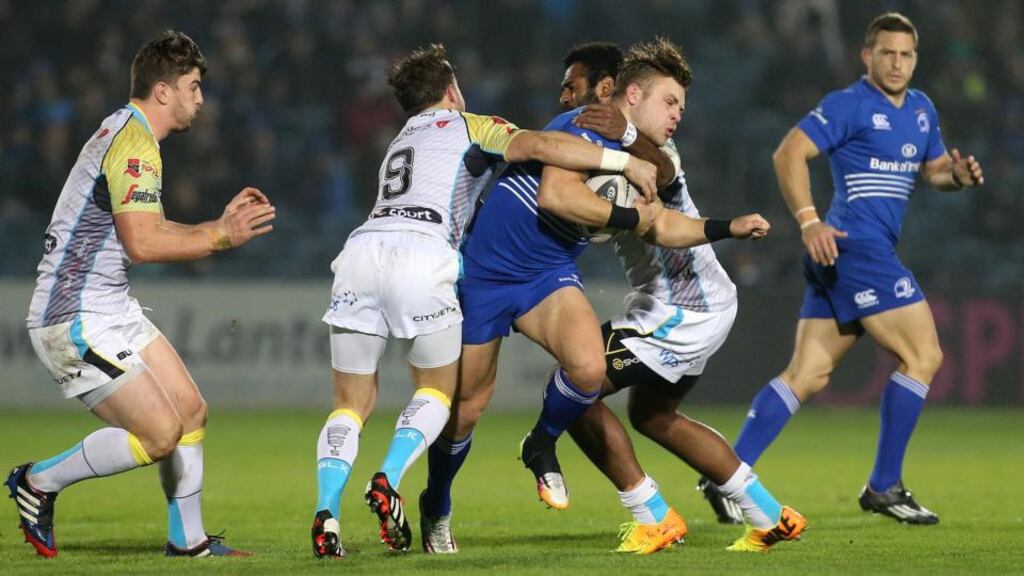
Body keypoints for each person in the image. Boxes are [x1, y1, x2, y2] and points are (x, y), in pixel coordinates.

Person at [311, 43, 657, 559]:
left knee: (350, 404)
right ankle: (393, 479)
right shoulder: (472, 125)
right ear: (451, 90)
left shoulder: (399, 139)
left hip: (361, 251)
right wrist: (620, 161)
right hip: (429, 256)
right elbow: (539, 145)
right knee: (440, 396)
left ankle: (326, 515)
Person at [419, 37, 762, 554]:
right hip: (488, 278)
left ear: (608, 89)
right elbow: (561, 195)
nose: (564, 98)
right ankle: (437, 504)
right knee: (466, 409)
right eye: (670, 103)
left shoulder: (636, 144)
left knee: (587, 369)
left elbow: (662, 198)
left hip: (548, 274)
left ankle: (541, 446)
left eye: (572, 86)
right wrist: (629, 198)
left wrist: (726, 227)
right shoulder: (582, 128)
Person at [701, 12, 984, 526]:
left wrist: (957, 176)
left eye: (906, 55)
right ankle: (884, 486)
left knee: (808, 373)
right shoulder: (849, 104)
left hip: (840, 255)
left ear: (916, 59)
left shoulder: (921, 109)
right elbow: (788, 153)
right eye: (887, 53)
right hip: (856, 248)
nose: (897, 63)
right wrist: (808, 222)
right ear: (867, 56)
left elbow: (936, 171)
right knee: (924, 355)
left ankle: (726, 475)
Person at [7, 30, 276, 558]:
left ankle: (189, 541)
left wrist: (213, 226)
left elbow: (144, 227)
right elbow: (144, 242)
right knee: (160, 434)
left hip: (107, 304)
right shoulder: (134, 144)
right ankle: (37, 482)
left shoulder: (129, 133)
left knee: (191, 411)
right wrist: (221, 236)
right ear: (162, 91)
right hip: (73, 314)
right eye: (193, 87)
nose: (200, 99)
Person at [549, 42, 807, 554]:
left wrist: (622, 133)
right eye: (670, 103)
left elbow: (663, 175)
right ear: (634, 93)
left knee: (573, 388)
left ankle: (652, 516)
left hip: (684, 308)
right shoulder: (609, 143)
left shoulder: (648, 150)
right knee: (653, 417)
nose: (676, 116)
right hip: (693, 303)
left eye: (681, 108)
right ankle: (771, 515)